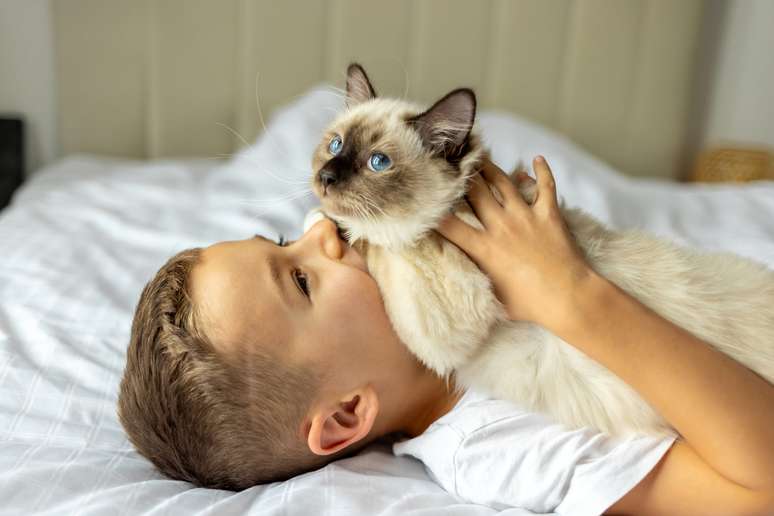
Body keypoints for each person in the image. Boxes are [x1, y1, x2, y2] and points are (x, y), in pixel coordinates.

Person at [117, 156, 774, 514]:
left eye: (287, 240)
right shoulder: (493, 445)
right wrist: (570, 296)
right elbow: (760, 485)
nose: (323, 229)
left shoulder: (459, 294)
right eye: (301, 280)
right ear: (348, 413)